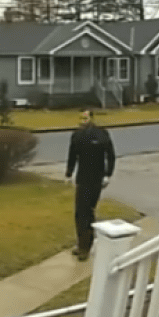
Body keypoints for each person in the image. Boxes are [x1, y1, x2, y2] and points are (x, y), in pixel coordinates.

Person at [65, 109, 116, 261]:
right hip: (86, 179)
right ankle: (84, 244)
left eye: (85, 118)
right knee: (85, 212)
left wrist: (108, 174)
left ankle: (84, 247)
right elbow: (72, 155)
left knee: (84, 212)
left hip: (94, 179)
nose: (83, 121)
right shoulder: (78, 136)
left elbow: (110, 156)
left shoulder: (101, 135)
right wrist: (69, 173)